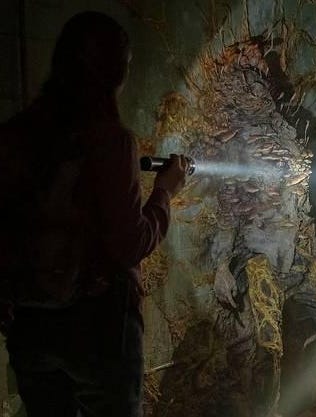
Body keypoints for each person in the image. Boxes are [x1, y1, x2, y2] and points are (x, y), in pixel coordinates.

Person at [0, 11, 188, 417]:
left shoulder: (13, 136)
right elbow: (130, 244)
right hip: (98, 329)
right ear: (113, 71)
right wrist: (164, 192)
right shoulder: (110, 140)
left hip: (30, 325)